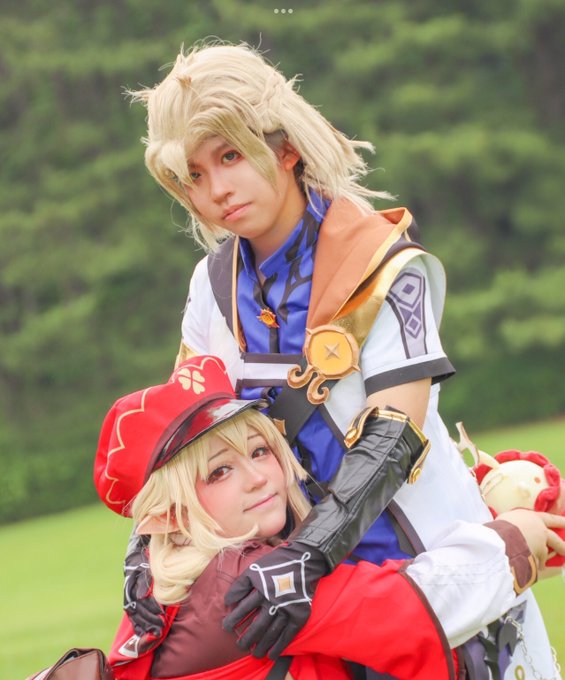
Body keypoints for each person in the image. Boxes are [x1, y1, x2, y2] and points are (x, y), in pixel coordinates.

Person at [126, 42, 562, 678]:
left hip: (435, 580)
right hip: (306, 606)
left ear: (284, 147)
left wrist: (306, 556)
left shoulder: (383, 263)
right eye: (194, 174)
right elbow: (184, 443)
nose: (217, 190)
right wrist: (145, 558)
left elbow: (393, 437)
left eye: (229, 156)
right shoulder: (211, 286)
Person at [94, 355, 565, 680]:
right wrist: (513, 540)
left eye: (260, 451)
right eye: (219, 472)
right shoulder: (238, 586)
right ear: (169, 513)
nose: (257, 478)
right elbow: (412, 607)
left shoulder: (164, 579)